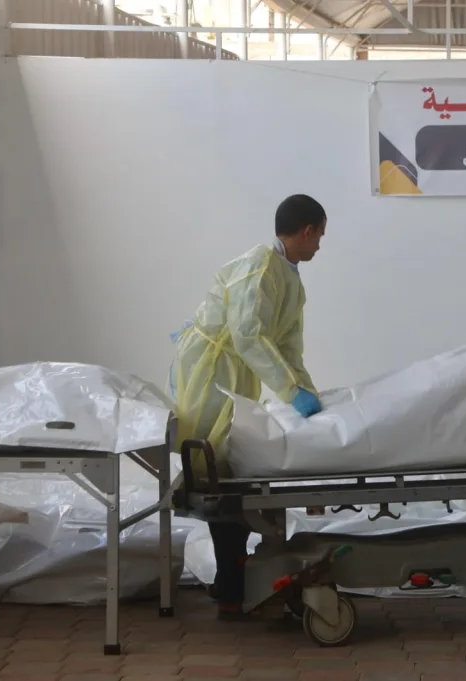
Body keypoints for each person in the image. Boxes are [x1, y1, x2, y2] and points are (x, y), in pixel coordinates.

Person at [169, 194, 327, 619]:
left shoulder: (290, 281)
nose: (319, 247)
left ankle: (232, 580)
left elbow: (289, 348)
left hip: (235, 374)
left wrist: (307, 394)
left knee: (226, 471)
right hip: (213, 373)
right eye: (319, 237)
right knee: (215, 472)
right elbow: (248, 337)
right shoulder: (259, 268)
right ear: (306, 230)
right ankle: (230, 583)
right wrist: (292, 392)